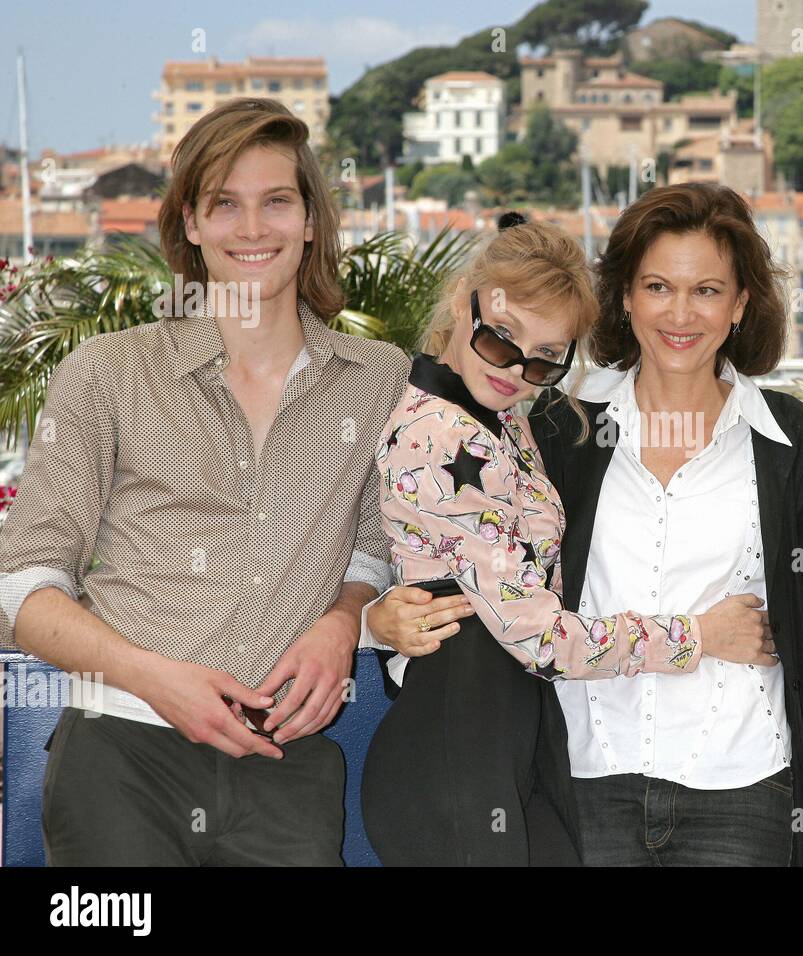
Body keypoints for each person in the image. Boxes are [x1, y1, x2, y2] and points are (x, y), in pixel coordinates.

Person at [0, 97, 468, 866]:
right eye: (226, 205)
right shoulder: (107, 374)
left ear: (311, 220)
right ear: (190, 223)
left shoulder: (380, 381)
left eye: (277, 202)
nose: (253, 229)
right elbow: (25, 589)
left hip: (286, 765)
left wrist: (342, 616)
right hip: (118, 758)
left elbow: (378, 542)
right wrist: (154, 679)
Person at [375, 183, 803, 866]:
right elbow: (454, 551)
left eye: (708, 290)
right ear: (625, 297)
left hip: (745, 786)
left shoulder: (790, 438)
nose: (681, 312)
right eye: (658, 285)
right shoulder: (554, 425)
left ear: (741, 304)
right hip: (581, 782)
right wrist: (380, 620)